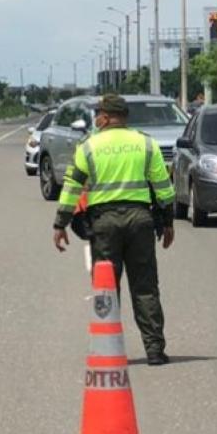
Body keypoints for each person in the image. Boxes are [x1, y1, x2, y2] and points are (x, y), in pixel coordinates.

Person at [52, 93, 175, 366]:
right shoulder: (146, 144)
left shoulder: (88, 147)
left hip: (104, 223)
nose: (96, 118)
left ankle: (109, 349)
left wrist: (60, 224)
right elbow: (163, 187)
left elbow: (72, 188)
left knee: (106, 287)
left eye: (98, 114)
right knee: (145, 287)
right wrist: (168, 221)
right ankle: (154, 350)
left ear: (106, 117)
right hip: (141, 220)